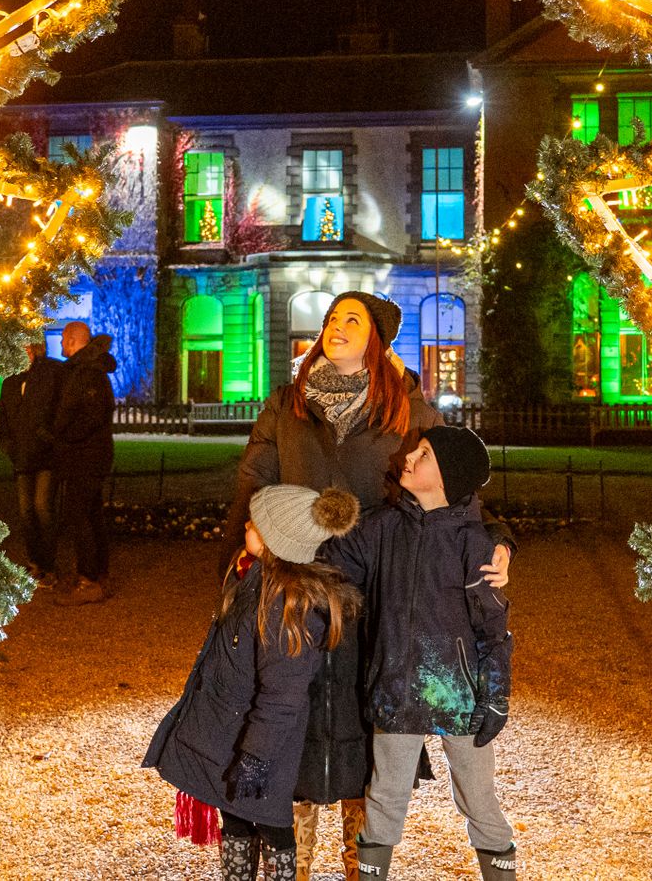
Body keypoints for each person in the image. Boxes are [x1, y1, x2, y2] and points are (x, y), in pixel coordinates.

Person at [229, 290, 514, 880]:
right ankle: (296, 864)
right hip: (299, 587)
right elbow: (256, 479)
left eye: (350, 319)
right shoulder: (286, 404)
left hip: (377, 594)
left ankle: (362, 868)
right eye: (332, 318)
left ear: (376, 340)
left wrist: (500, 539)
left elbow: (454, 485)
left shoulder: (406, 408)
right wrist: (246, 543)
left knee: (369, 732)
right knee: (293, 722)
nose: (335, 326)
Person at [321, 426, 515, 880]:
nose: (409, 457)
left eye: (424, 454)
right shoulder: (383, 528)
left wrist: (495, 696)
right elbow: (331, 558)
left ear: (446, 476)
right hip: (396, 690)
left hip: (458, 694)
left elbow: (493, 628)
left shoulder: (473, 545)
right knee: (385, 797)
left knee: (478, 798)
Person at [144, 485, 363, 881]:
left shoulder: (288, 608)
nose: (246, 524)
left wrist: (257, 756)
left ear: (277, 542)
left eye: (255, 523)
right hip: (234, 736)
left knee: (271, 825)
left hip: (262, 749)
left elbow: (282, 696)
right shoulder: (254, 580)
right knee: (237, 821)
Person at [51, 321, 116, 605]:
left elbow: (91, 414)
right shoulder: (86, 370)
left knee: (80, 515)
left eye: (65, 338)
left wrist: (64, 435)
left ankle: (88, 578)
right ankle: (97, 574)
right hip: (88, 453)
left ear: (75, 340)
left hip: (85, 454)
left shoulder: (87, 373)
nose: (61, 343)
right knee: (90, 515)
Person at [0, 340, 66, 583]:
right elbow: (3, 417)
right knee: (27, 512)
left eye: (27, 349)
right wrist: (8, 444)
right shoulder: (11, 383)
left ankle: (48, 563)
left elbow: (58, 411)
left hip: (45, 455)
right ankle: (35, 561)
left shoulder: (50, 375)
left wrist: (48, 437)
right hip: (22, 456)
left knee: (42, 508)